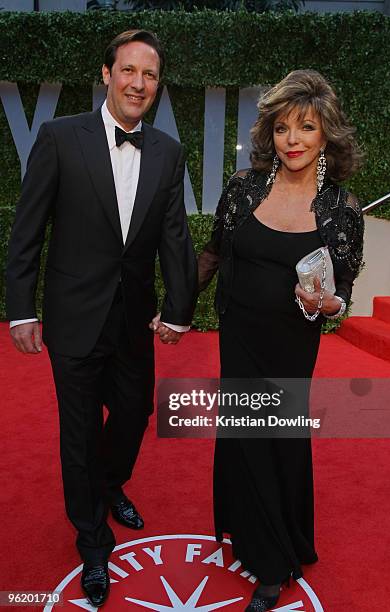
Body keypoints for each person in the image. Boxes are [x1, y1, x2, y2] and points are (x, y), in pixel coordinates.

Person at [6, 29, 197, 607]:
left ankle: (109, 485)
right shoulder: (60, 137)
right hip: (72, 316)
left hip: (132, 317)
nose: (139, 83)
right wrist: (20, 310)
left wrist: (179, 309)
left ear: (157, 86)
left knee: (137, 409)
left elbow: (174, 237)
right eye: (129, 70)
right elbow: (28, 229)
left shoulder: (167, 151)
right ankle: (92, 542)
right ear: (107, 74)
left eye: (150, 74)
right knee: (80, 432)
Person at [198, 69, 364, 611]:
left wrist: (326, 304)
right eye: (284, 128)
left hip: (293, 344)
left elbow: (343, 296)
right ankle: (265, 553)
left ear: (326, 137)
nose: (293, 140)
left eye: (307, 127)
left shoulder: (341, 210)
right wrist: (171, 308)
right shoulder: (244, 188)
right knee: (247, 439)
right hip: (239, 336)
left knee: (279, 441)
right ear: (269, 134)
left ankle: (278, 551)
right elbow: (213, 254)